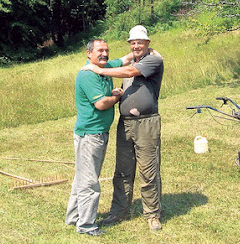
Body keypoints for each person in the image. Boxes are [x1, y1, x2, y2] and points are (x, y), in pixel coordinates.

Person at [81, 25, 164, 231]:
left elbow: (128, 71)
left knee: (149, 170)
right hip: (125, 124)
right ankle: (118, 212)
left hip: (146, 123)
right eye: (133, 42)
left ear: (148, 43)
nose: (136, 45)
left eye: (140, 42)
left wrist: (98, 69)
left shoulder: (154, 60)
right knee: (122, 171)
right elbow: (125, 63)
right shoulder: (133, 59)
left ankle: (152, 214)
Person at [65, 39, 134, 236]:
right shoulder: (88, 75)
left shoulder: (105, 66)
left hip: (97, 133)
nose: (104, 54)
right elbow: (102, 104)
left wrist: (144, 48)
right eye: (99, 51)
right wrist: (118, 96)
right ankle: (86, 226)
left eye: (106, 50)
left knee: (82, 178)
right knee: (89, 182)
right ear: (88, 54)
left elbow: (124, 60)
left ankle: (73, 217)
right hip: (90, 135)